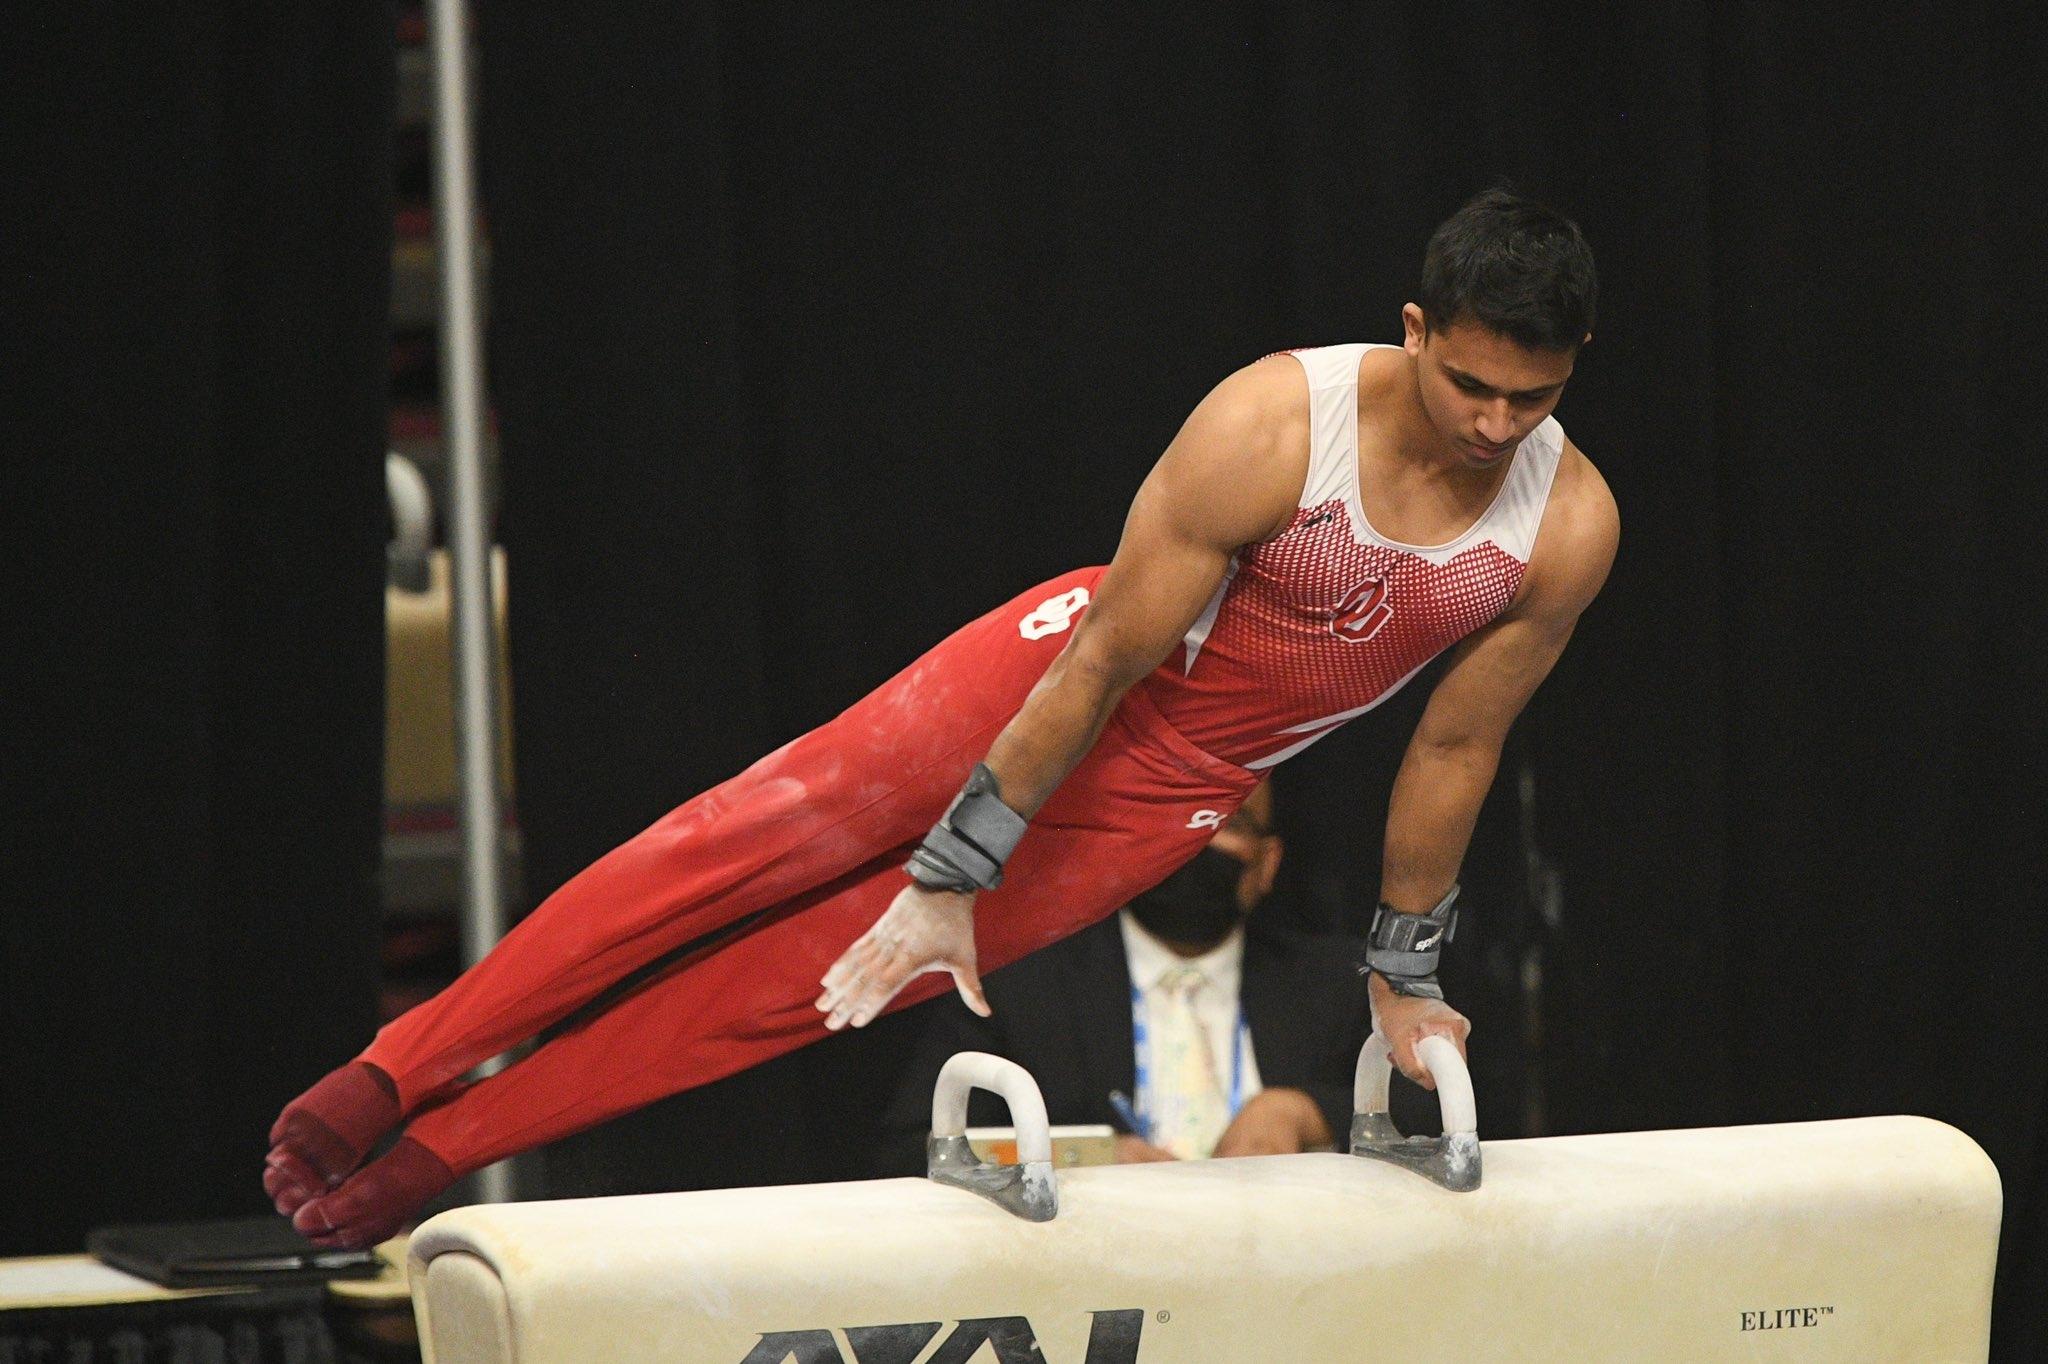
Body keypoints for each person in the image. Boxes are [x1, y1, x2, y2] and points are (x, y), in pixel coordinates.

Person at [266, 188, 1615, 1248]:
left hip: (1182, 788)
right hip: (1062, 676)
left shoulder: (1564, 526)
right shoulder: (1275, 424)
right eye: (1471, 385)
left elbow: (1454, 745)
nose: (1496, 425)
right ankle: (400, 1070)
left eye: (1532, 399)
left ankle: (449, 1150)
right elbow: (1097, 666)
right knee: (741, 847)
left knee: (803, 990)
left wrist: (1405, 968)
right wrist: (955, 865)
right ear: (1416, 331)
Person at [878, 781, 1376, 1168]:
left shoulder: (1337, 981)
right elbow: (914, 1150)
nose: (1199, 841)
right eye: (1182, 819)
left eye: (1230, 822)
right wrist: (1077, 1161)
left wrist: (1302, 1112)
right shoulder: (1020, 983)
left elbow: (1428, 1107)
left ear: (1267, 864)